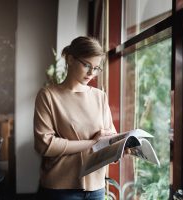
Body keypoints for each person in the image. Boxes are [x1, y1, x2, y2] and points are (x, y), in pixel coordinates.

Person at [34, 36, 117, 200]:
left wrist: (122, 147)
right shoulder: (48, 95)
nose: (91, 73)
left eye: (96, 68)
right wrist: (93, 143)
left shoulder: (100, 96)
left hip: (97, 187)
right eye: (87, 65)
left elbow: (110, 137)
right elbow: (45, 145)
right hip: (60, 188)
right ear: (70, 60)